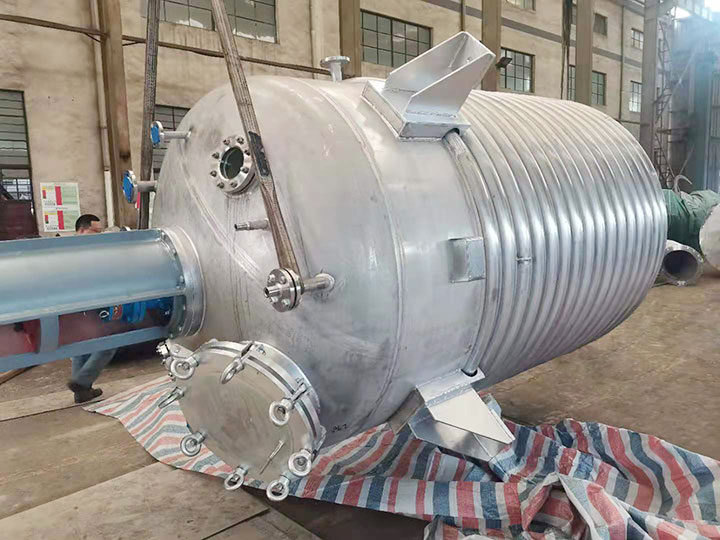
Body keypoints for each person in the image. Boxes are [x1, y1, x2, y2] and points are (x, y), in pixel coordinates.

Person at [67, 213, 116, 403]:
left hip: (79, 304)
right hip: (86, 303)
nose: (99, 235)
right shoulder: (75, 251)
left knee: (81, 345)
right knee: (111, 341)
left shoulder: (79, 249)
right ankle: (81, 382)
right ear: (81, 230)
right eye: (96, 231)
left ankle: (82, 392)